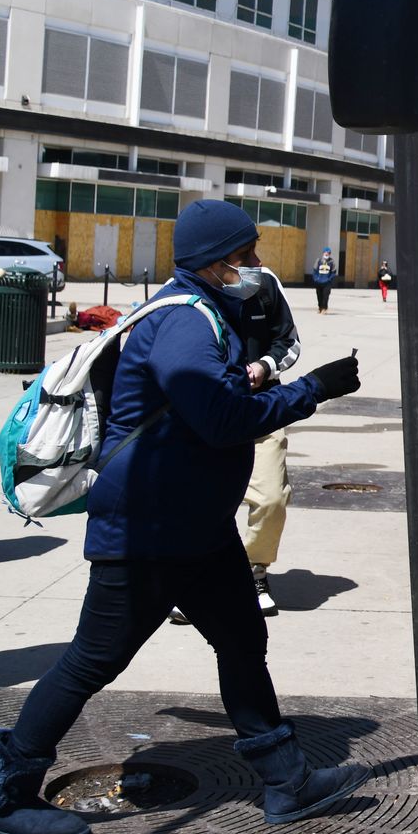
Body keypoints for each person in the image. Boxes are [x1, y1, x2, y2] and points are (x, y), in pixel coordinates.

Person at [0, 200, 368, 834]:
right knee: (91, 662)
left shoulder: (200, 310)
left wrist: (260, 373)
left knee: (241, 640)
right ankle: (5, 796)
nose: (257, 266)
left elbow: (208, 399)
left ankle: (284, 779)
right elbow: (222, 420)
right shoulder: (183, 323)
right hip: (151, 526)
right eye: (247, 256)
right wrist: (311, 389)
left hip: (193, 524)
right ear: (216, 263)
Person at [170, 265, 299, 621]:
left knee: (272, 498)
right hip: (205, 416)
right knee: (200, 507)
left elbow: (289, 342)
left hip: (260, 412)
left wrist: (265, 366)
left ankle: (253, 574)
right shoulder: (181, 287)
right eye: (243, 252)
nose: (252, 260)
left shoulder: (265, 282)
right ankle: (193, 584)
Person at [311, 247, 336, 314]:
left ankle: (324, 308)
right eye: (325, 252)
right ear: (323, 253)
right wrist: (316, 278)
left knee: (325, 296)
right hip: (319, 282)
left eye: (328, 253)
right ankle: (320, 307)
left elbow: (333, 272)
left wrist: (329, 279)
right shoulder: (318, 261)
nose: (327, 254)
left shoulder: (332, 262)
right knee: (319, 295)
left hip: (327, 283)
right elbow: (314, 271)